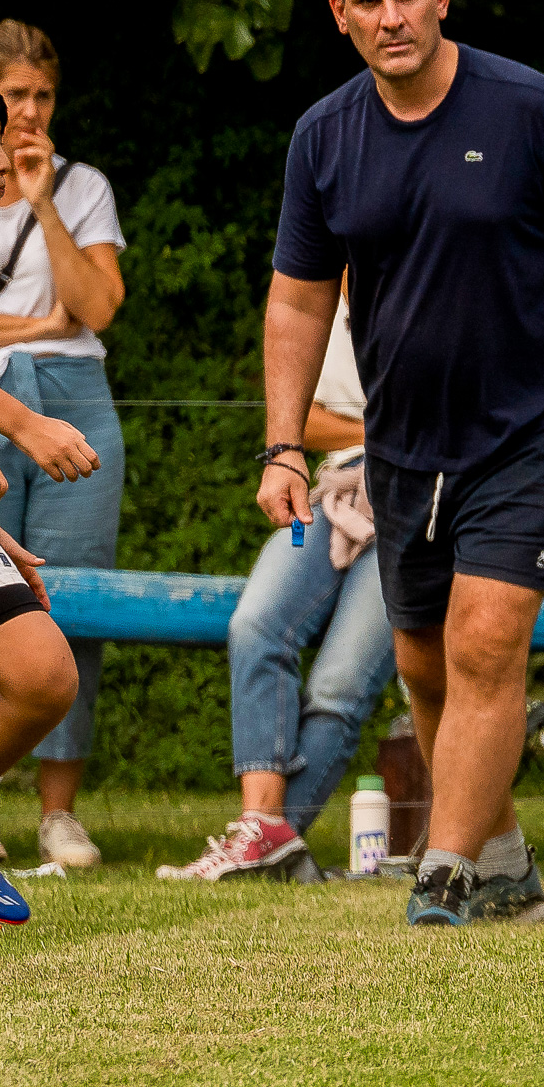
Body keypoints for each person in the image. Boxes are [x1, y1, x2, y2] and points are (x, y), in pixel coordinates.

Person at [258, 0, 544, 925]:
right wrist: (282, 445)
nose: (391, 18)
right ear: (340, 15)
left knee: (486, 642)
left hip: (541, 424)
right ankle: (505, 866)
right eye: (369, 3)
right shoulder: (324, 136)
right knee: (423, 663)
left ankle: (442, 877)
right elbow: (298, 300)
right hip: (406, 441)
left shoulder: (530, 108)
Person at [158, 295, 395, 881]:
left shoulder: (432, 274)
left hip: (418, 497)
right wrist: (384, 430)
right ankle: (261, 830)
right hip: (338, 488)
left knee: (340, 685)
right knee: (256, 625)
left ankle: (265, 844)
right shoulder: (312, 286)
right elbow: (298, 420)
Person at [0, 20, 127, 869]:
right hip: (0, 401)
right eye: (14, 96)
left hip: (74, 396)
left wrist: (41, 202)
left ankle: (59, 813)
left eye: (43, 95)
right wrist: (39, 326)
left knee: (65, 599)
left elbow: (96, 309)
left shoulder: (81, 187)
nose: (30, 112)